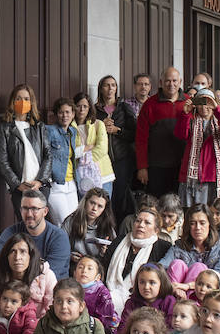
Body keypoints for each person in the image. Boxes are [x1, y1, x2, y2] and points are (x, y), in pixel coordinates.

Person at [0, 190, 71, 300]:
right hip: (14, 294)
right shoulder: (11, 232)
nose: (29, 214)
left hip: (50, 296)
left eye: (35, 209)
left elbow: (47, 277)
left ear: (45, 211)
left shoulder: (58, 237)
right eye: (25, 208)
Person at [0, 83, 51, 217]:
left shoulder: (39, 127)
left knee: (40, 225)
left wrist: (40, 181)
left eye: (26, 99)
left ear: (31, 102)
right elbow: (2, 161)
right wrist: (17, 185)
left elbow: (48, 155)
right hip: (20, 189)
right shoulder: (4, 128)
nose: (22, 102)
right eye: (18, 98)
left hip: (40, 186)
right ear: (12, 102)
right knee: (26, 226)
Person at [174, 89, 220, 206]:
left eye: (208, 102)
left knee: (215, 211)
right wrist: (185, 114)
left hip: (214, 174)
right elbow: (181, 134)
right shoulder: (191, 119)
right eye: (201, 102)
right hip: (192, 175)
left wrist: (217, 109)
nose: (204, 107)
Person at [103, 206, 173, 312]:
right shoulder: (120, 240)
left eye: (147, 223)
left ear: (156, 230)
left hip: (141, 300)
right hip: (109, 292)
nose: (141, 225)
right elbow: (104, 266)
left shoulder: (163, 247)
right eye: (138, 221)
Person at [135, 67, 188, 196]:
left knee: (179, 206)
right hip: (156, 167)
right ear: (160, 82)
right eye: (167, 81)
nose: (171, 84)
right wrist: (142, 167)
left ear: (180, 82)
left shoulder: (189, 103)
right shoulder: (150, 104)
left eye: (175, 81)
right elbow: (141, 139)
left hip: (182, 166)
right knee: (156, 206)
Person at [160, 204, 220, 295]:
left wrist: (189, 286)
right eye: (193, 223)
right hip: (179, 296)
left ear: (210, 224)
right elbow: (161, 266)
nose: (197, 228)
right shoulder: (179, 246)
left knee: (199, 267)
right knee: (177, 264)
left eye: (202, 223)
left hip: (213, 298)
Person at [95, 75, 138, 222]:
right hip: (102, 160)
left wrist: (117, 130)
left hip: (122, 159)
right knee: (103, 196)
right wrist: (101, 124)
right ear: (101, 88)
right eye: (106, 85)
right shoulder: (95, 111)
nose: (110, 88)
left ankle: (119, 228)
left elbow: (135, 133)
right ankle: (104, 226)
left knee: (120, 195)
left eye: (113, 85)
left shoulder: (124, 107)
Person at [71, 91, 113, 200]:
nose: (82, 109)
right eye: (78, 106)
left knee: (104, 209)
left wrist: (83, 158)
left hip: (103, 174)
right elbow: (70, 152)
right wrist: (86, 148)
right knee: (84, 210)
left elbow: (102, 148)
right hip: (81, 176)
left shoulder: (98, 124)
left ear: (90, 108)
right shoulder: (69, 128)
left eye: (85, 106)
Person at [45, 97, 80, 224]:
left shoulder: (72, 131)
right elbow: (43, 156)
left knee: (75, 223)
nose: (64, 115)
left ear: (73, 114)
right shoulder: (50, 131)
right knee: (63, 224)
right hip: (56, 184)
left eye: (67, 112)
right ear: (56, 114)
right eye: (61, 112)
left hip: (71, 183)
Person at [62, 187, 116, 266]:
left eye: (100, 206)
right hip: (74, 266)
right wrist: (69, 255)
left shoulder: (108, 227)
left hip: (97, 267)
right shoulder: (71, 221)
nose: (94, 208)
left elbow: (114, 257)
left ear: (104, 209)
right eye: (92, 203)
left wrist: (104, 253)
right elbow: (60, 247)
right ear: (85, 202)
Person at [71, 254, 118, 334]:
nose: (84, 271)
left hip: (98, 328)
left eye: (90, 268)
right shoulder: (70, 288)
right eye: (80, 267)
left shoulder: (102, 292)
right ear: (74, 273)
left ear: (98, 277)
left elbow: (105, 318)